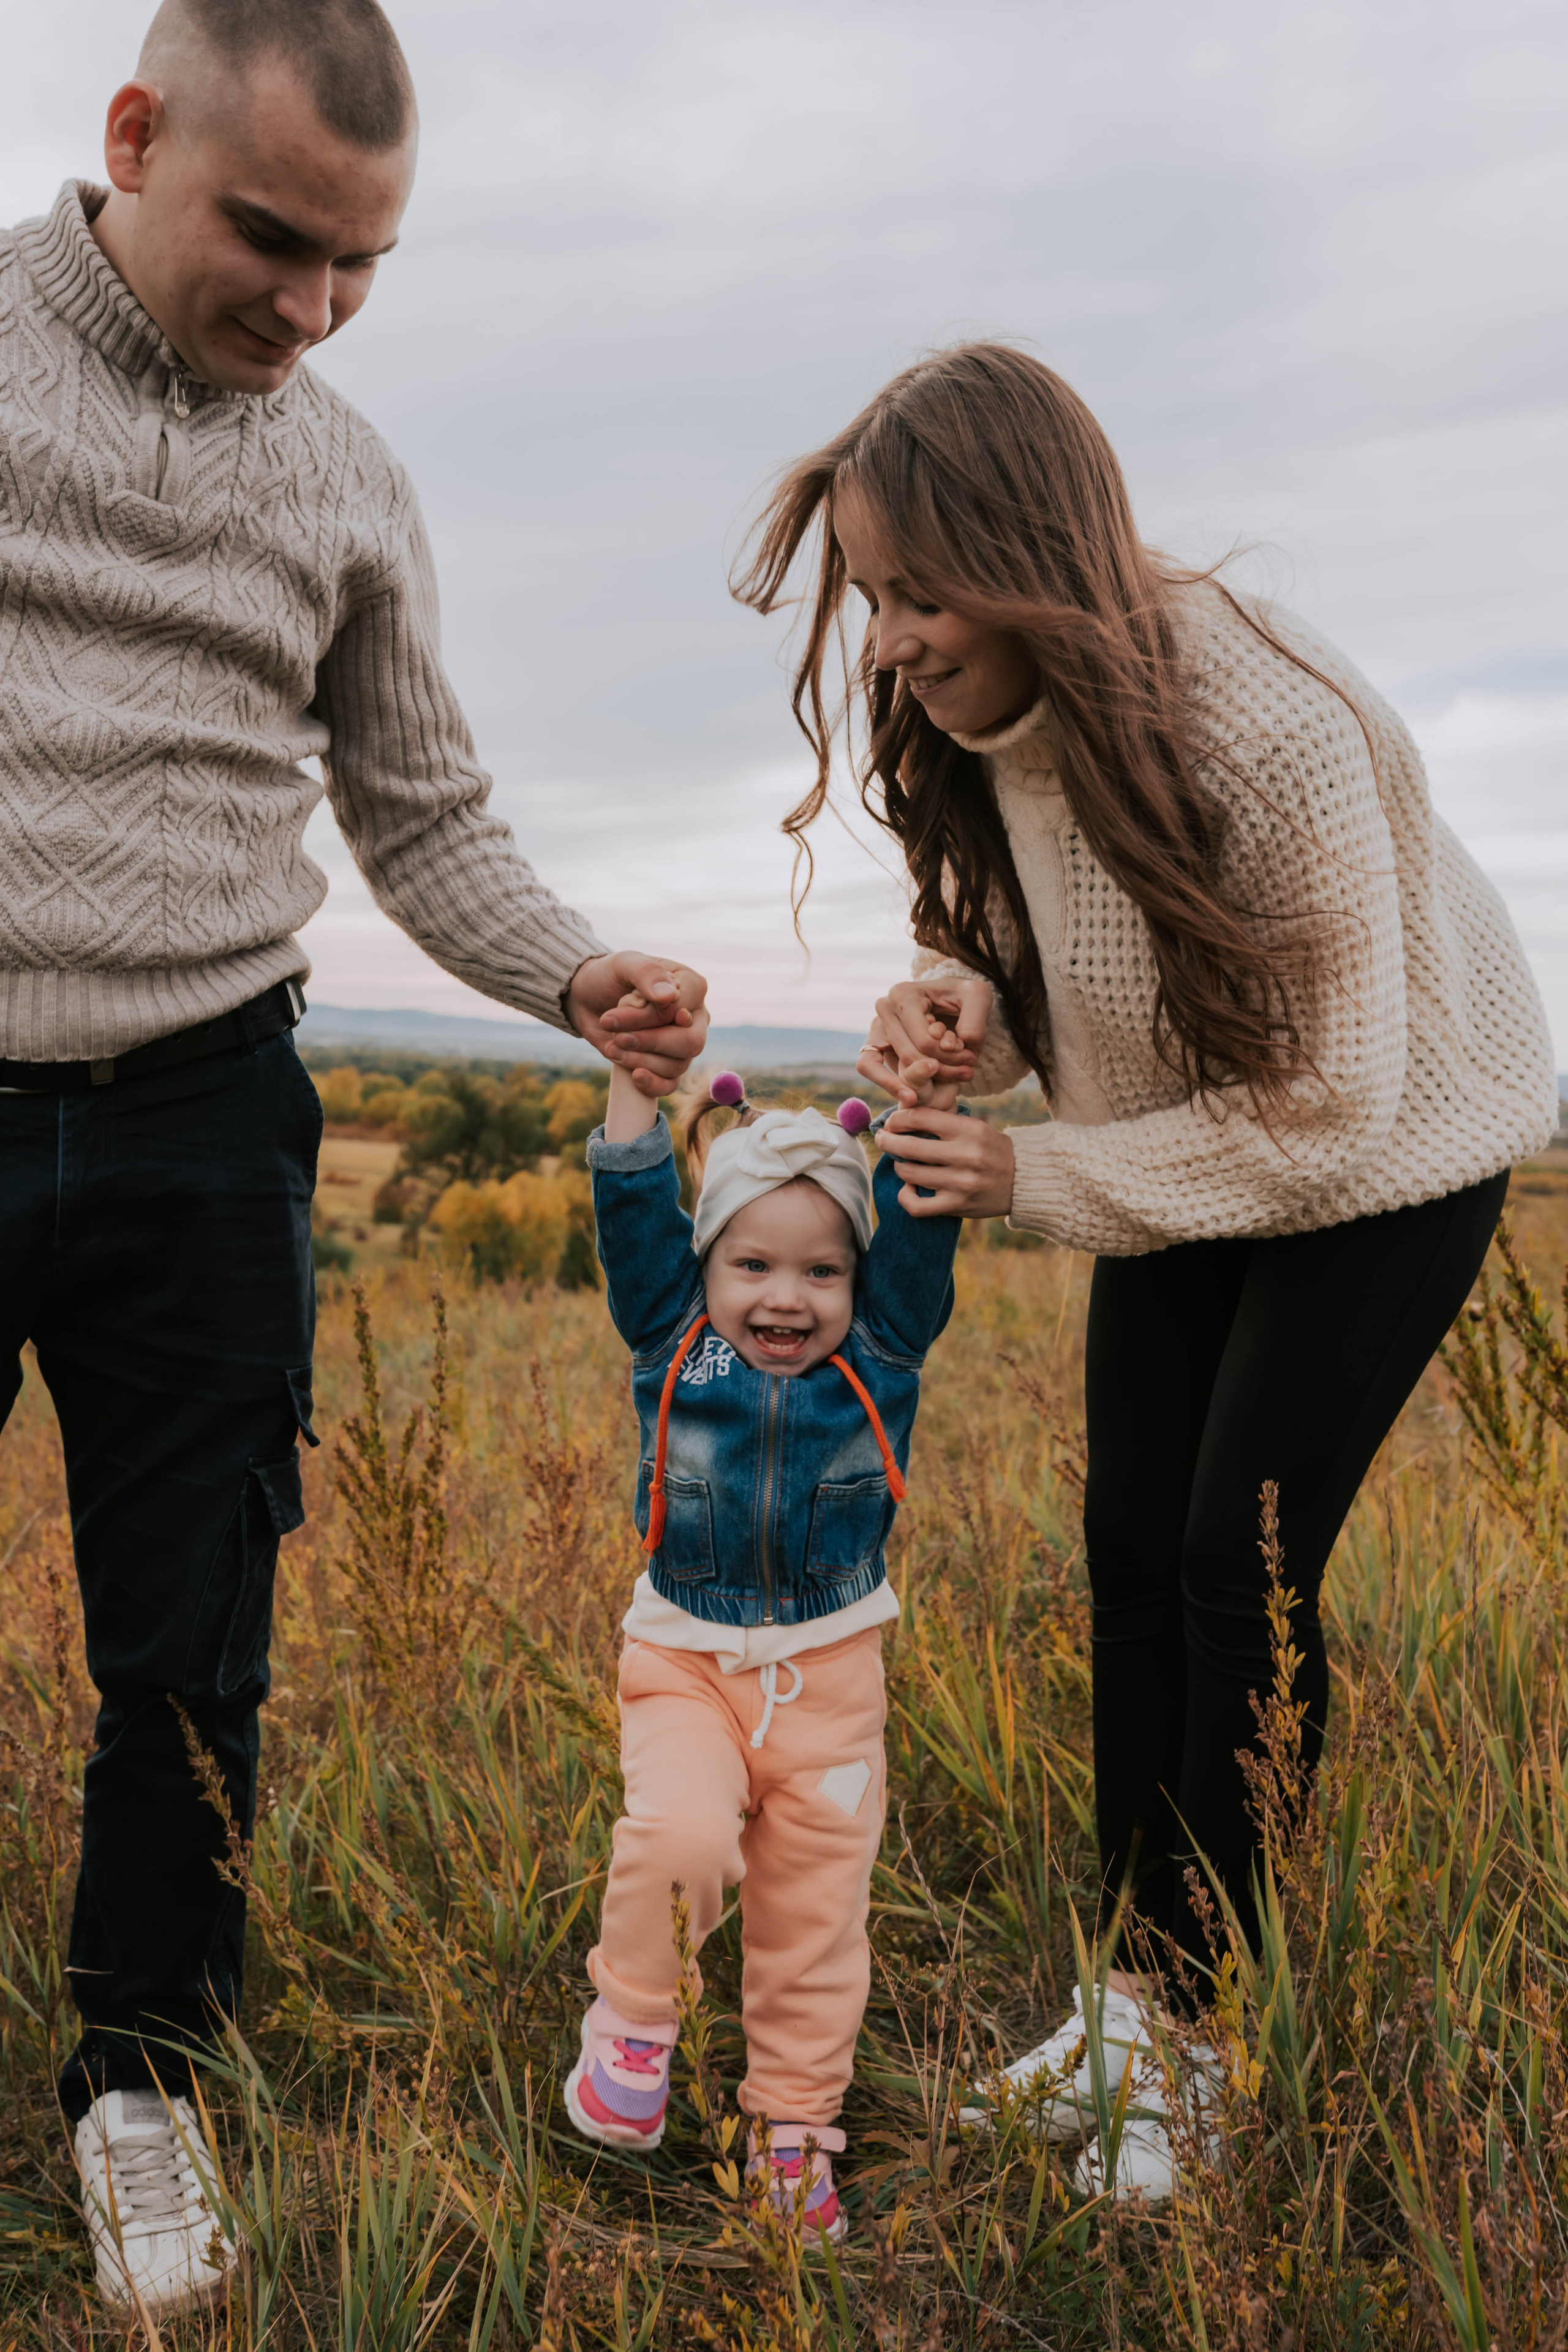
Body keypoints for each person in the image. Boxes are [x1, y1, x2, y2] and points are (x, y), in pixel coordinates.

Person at [1, 0, 706, 2314]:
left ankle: (141, 2086)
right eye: (276, 238)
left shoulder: (347, 478)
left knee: (193, 1643)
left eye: (365, 267)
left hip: (209, 1104)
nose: (312, 310)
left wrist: (577, 977)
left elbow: (421, 810)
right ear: (132, 136)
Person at [733, 342, 1558, 2201]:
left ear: (1031, 559)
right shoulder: (984, 715)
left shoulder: (1272, 723)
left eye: (921, 593)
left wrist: (1028, 1167)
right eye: (873, 595)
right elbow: (1073, 967)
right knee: (1124, 1547)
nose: (888, 640)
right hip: (1194, 1144)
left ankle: (1208, 2042)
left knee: (1227, 1562)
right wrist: (969, 1005)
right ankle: (1136, 1994)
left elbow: (1335, 1107)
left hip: (1388, 1154)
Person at [571, 1050, 963, 2240]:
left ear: (859, 1277)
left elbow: (915, 1222)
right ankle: (633, 2024)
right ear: (704, 1268)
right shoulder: (669, 1335)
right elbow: (633, 1206)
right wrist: (634, 1091)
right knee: (681, 1835)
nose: (783, 1297)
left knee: (812, 1921)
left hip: (832, 1681)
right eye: (750, 1265)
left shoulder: (880, 1348)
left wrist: (929, 1102)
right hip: (685, 1661)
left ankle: (791, 2136)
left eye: (819, 1270)